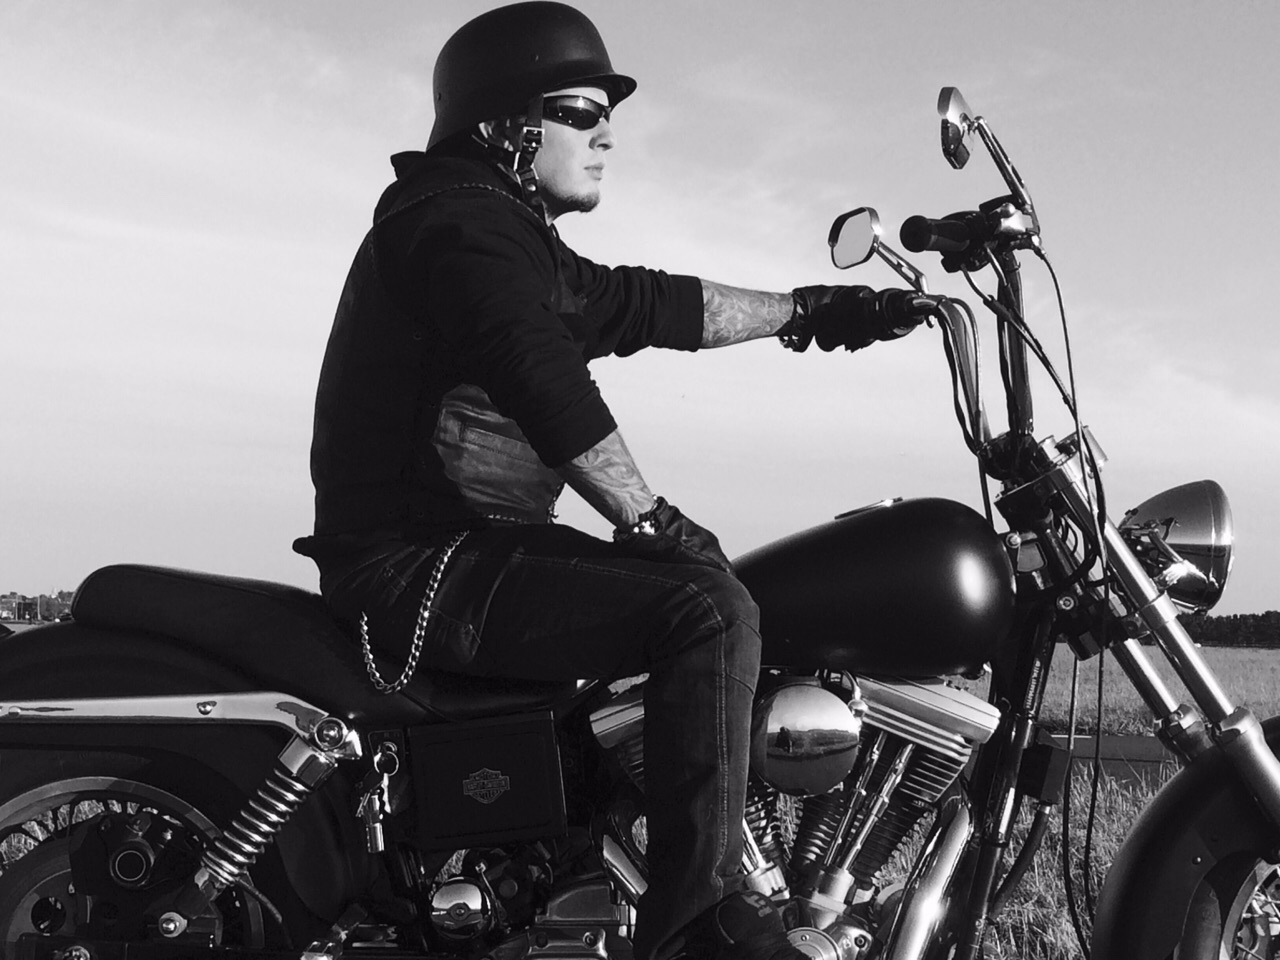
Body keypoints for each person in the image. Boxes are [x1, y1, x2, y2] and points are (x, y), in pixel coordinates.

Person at [294, 3, 921, 958]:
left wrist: (810, 310)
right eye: (582, 113)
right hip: (419, 564)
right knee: (707, 610)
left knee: (700, 603)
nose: (606, 136)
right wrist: (651, 518)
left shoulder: (501, 233)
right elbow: (540, 376)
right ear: (506, 125)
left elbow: (643, 303)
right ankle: (696, 930)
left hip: (464, 551)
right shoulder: (456, 227)